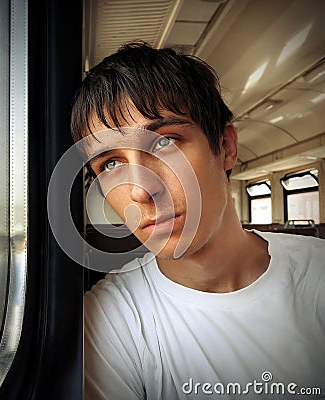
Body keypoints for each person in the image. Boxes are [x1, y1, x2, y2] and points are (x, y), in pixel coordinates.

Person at [70, 42, 325, 399]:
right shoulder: (108, 320)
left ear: (226, 147)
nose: (141, 191)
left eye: (165, 143)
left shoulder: (318, 273)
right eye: (111, 163)